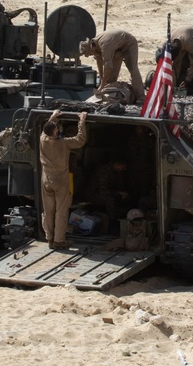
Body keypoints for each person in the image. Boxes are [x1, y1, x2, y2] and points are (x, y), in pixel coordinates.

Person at [39, 110, 88, 249]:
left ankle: (49, 238)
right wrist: (82, 121)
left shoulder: (42, 138)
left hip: (46, 179)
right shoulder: (63, 143)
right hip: (60, 180)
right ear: (56, 131)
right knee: (61, 210)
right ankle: (59, 240)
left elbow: (47, 129)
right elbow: (80, 139)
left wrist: (53, 116)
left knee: (48, 210)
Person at [79, 30, 145, 102]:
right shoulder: (96, 44)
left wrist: (102, 85)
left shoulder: (105, 45)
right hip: (117, 48)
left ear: (92, 47)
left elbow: (108, 67)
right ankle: (112, 96)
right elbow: (99, 60)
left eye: (90, 53)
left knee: (133, 69)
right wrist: (101, 79)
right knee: (110, 78)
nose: (92, 55)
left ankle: (141, 98)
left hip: (129, 44)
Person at [170, 25, 193, 95]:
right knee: (175, 64)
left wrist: (187, 80)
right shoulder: (170, 41)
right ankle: (173, 88)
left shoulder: (189, 45)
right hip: (181, 35)